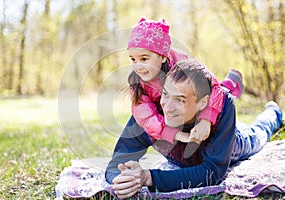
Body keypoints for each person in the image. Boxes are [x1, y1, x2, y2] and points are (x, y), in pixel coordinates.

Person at [105, 59, 283, 199]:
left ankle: (273, 112)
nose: (168, 107)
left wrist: (149, 177)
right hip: (186, 152)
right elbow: (118, 160)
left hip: (232, 143)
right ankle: (226, 85)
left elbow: (212, 173)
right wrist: (123, 179)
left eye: (180, 100)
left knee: (258, 134)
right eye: (166, 95)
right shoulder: (149, 115)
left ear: (203, 103)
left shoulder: (224, 108)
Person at [126, 17, 244, 145]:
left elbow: (213, 87)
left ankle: (230, 84)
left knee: (220, 94)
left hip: (190, 102)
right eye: (133, 59)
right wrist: (179, 135)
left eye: (144, 59)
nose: (137, 66)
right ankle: (230, 83)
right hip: (174, 110)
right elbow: (147, 118)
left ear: (163, 56)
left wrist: (206, 120)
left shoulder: (182, 64)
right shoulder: (137, 82)